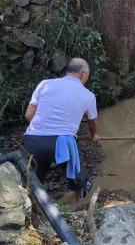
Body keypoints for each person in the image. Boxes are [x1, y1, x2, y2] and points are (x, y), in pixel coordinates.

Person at [24, 57, 100, 201]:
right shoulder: (88, 96)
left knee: (32, 180)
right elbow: (92, 122)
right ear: (83, 74)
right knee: (77, 174)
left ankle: (33, 207)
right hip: (62, 143)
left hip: (34, 140)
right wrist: (94, 135)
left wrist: (44, 128)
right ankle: (79, 199)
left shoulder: (44, 84)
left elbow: (28, 115)